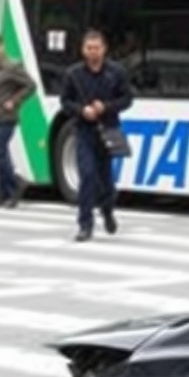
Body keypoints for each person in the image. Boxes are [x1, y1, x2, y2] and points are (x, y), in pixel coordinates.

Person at [59, 30, 133, 242]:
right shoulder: (73, 74)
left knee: (107, 181)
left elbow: (127, 98)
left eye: (97, 48)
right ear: (83, 50)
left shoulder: (116, 72)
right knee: (87, 175)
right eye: (89, 48)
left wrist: (106, 107)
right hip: (84, 131)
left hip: (108, 130)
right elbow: (65, 101)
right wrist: (82, 111)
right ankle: (85, 224)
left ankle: (107, 210)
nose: (93, 52)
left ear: (104, 49)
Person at [0, 33, 36, 208]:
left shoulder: (12, 66)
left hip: (5, 116)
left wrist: (14, 101)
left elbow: (30, 85)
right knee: (2, 155)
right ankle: (4, 194)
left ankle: (16, 181)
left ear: (1, 47)